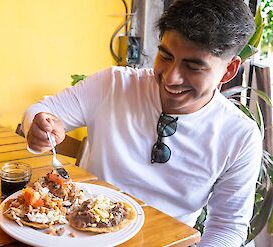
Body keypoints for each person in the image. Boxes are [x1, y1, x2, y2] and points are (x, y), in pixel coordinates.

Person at [21, 0, 262, 246]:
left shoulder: (240, 136)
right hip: (80, 235)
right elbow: (41, 111)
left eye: (193, 67)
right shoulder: (112, 85)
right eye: (165, 56)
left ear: (229, 70)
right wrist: (41, 125)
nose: (171, 78)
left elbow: (227, 227)